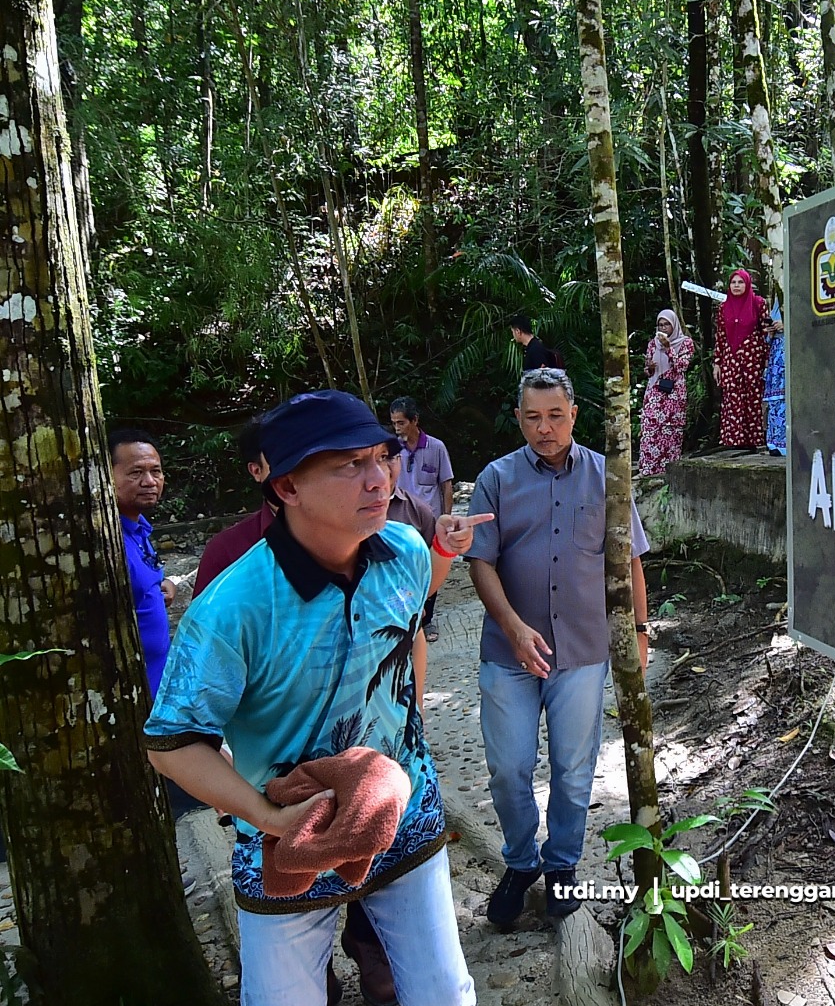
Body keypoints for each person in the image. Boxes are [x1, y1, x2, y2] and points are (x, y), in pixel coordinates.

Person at [145, 390, 486, 1006]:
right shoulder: (232, 608)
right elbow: (172, 745)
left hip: (404, 811)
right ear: (286, 487)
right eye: (349, 464)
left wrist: (410, 725)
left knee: (444, 992)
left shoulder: (407, 552)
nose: (378, 479)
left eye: (381, 457)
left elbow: (407, 635)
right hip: (288, 839)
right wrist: (269, 817)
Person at [465, 368, 650, 929]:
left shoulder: (606, 476)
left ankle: (563, 864)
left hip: (583, 650)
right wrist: (514, 628)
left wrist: (641, 631)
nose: (544, 428)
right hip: (509, 654)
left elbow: (630, 559)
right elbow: (480, 561)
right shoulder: (496, 479)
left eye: (554, 416)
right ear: (518, 419)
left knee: (573, 769)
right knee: (508, 769)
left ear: (574, 415)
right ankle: (521, 861)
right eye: (532, 417)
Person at [109, 427, 176, 694]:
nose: (149, 481)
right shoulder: (108, 543)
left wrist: (161, 585)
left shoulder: (139, 529)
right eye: (136, 473)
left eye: (155, 471)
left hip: (159, 686)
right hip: (131, 694)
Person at [390, 397, 455, 641]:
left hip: (430, 521)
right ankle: (406, 619)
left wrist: (446, 519)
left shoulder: (436, 447)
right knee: (401, 571)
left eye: (401, 423)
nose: (397, 428)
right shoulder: (392, 450)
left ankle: (426, 621)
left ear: (415, 420)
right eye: (394, 423)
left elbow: (446, 485)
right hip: (401, 521)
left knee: (429, 570)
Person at [194, 418, 277, 598]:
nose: (296, 467)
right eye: (281, 457)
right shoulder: (226, 552)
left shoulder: (340, 536)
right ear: (256, 471)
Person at [713, 269, 769, 450]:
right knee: (733, 397)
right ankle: (734, 439)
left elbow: (766, 331)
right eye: (733, 282)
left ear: (748, 284)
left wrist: (767, 358)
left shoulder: (758, 303)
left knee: (753, 395)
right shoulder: (724, 307)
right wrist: (717, 363)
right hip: (731, 358)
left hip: (753, 357)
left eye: (741, 282)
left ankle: (755, 439)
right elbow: (720, 336)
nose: (736, 286)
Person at [637, 309, 694, 477]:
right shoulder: (653, 344)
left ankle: (668, 469)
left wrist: (669, 348)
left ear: (674, 325)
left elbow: (681, 366)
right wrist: (649, 367)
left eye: (666, 324)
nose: (663, 328)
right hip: (655, 391)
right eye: (660, 325)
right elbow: (648, 370)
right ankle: (648, 469)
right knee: (650, 428)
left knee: (671, 431)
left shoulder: (685, 343)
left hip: (674, 393)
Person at [763, 298, 787, 457]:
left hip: (789, 353)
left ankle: (786, 443)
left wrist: (787, 326)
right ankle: (774, 443)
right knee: (775, 402)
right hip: (776, 357)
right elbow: (767, 340)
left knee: (787, 401)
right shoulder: (779, 301)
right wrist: (771, 332)